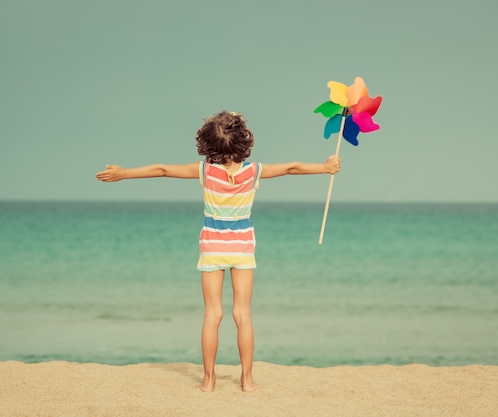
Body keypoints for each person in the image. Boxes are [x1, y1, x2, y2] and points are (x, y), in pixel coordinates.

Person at [95, 110, 341, 392]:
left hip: (212, 247)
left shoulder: (205, 171)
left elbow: (162, 170)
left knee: (212, 314)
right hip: (242, 249)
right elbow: (292, 167)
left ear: (208, 144)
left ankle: (209, 380)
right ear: (243, 142)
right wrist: (325, 167)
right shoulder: (253, 171)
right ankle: (247, 380)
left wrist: (124, 174)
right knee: (242, 314)